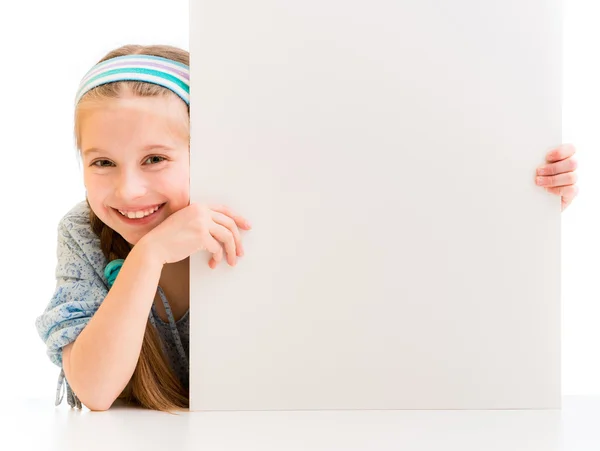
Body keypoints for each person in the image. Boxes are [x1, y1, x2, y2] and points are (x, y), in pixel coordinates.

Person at [34, 44, 579, 413]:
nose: (128, 191)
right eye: (101, 162)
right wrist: (148, 255)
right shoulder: (83, 232)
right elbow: (96, 391)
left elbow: (406, 242)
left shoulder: (266, 206)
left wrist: (524, 207)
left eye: (155, 159)